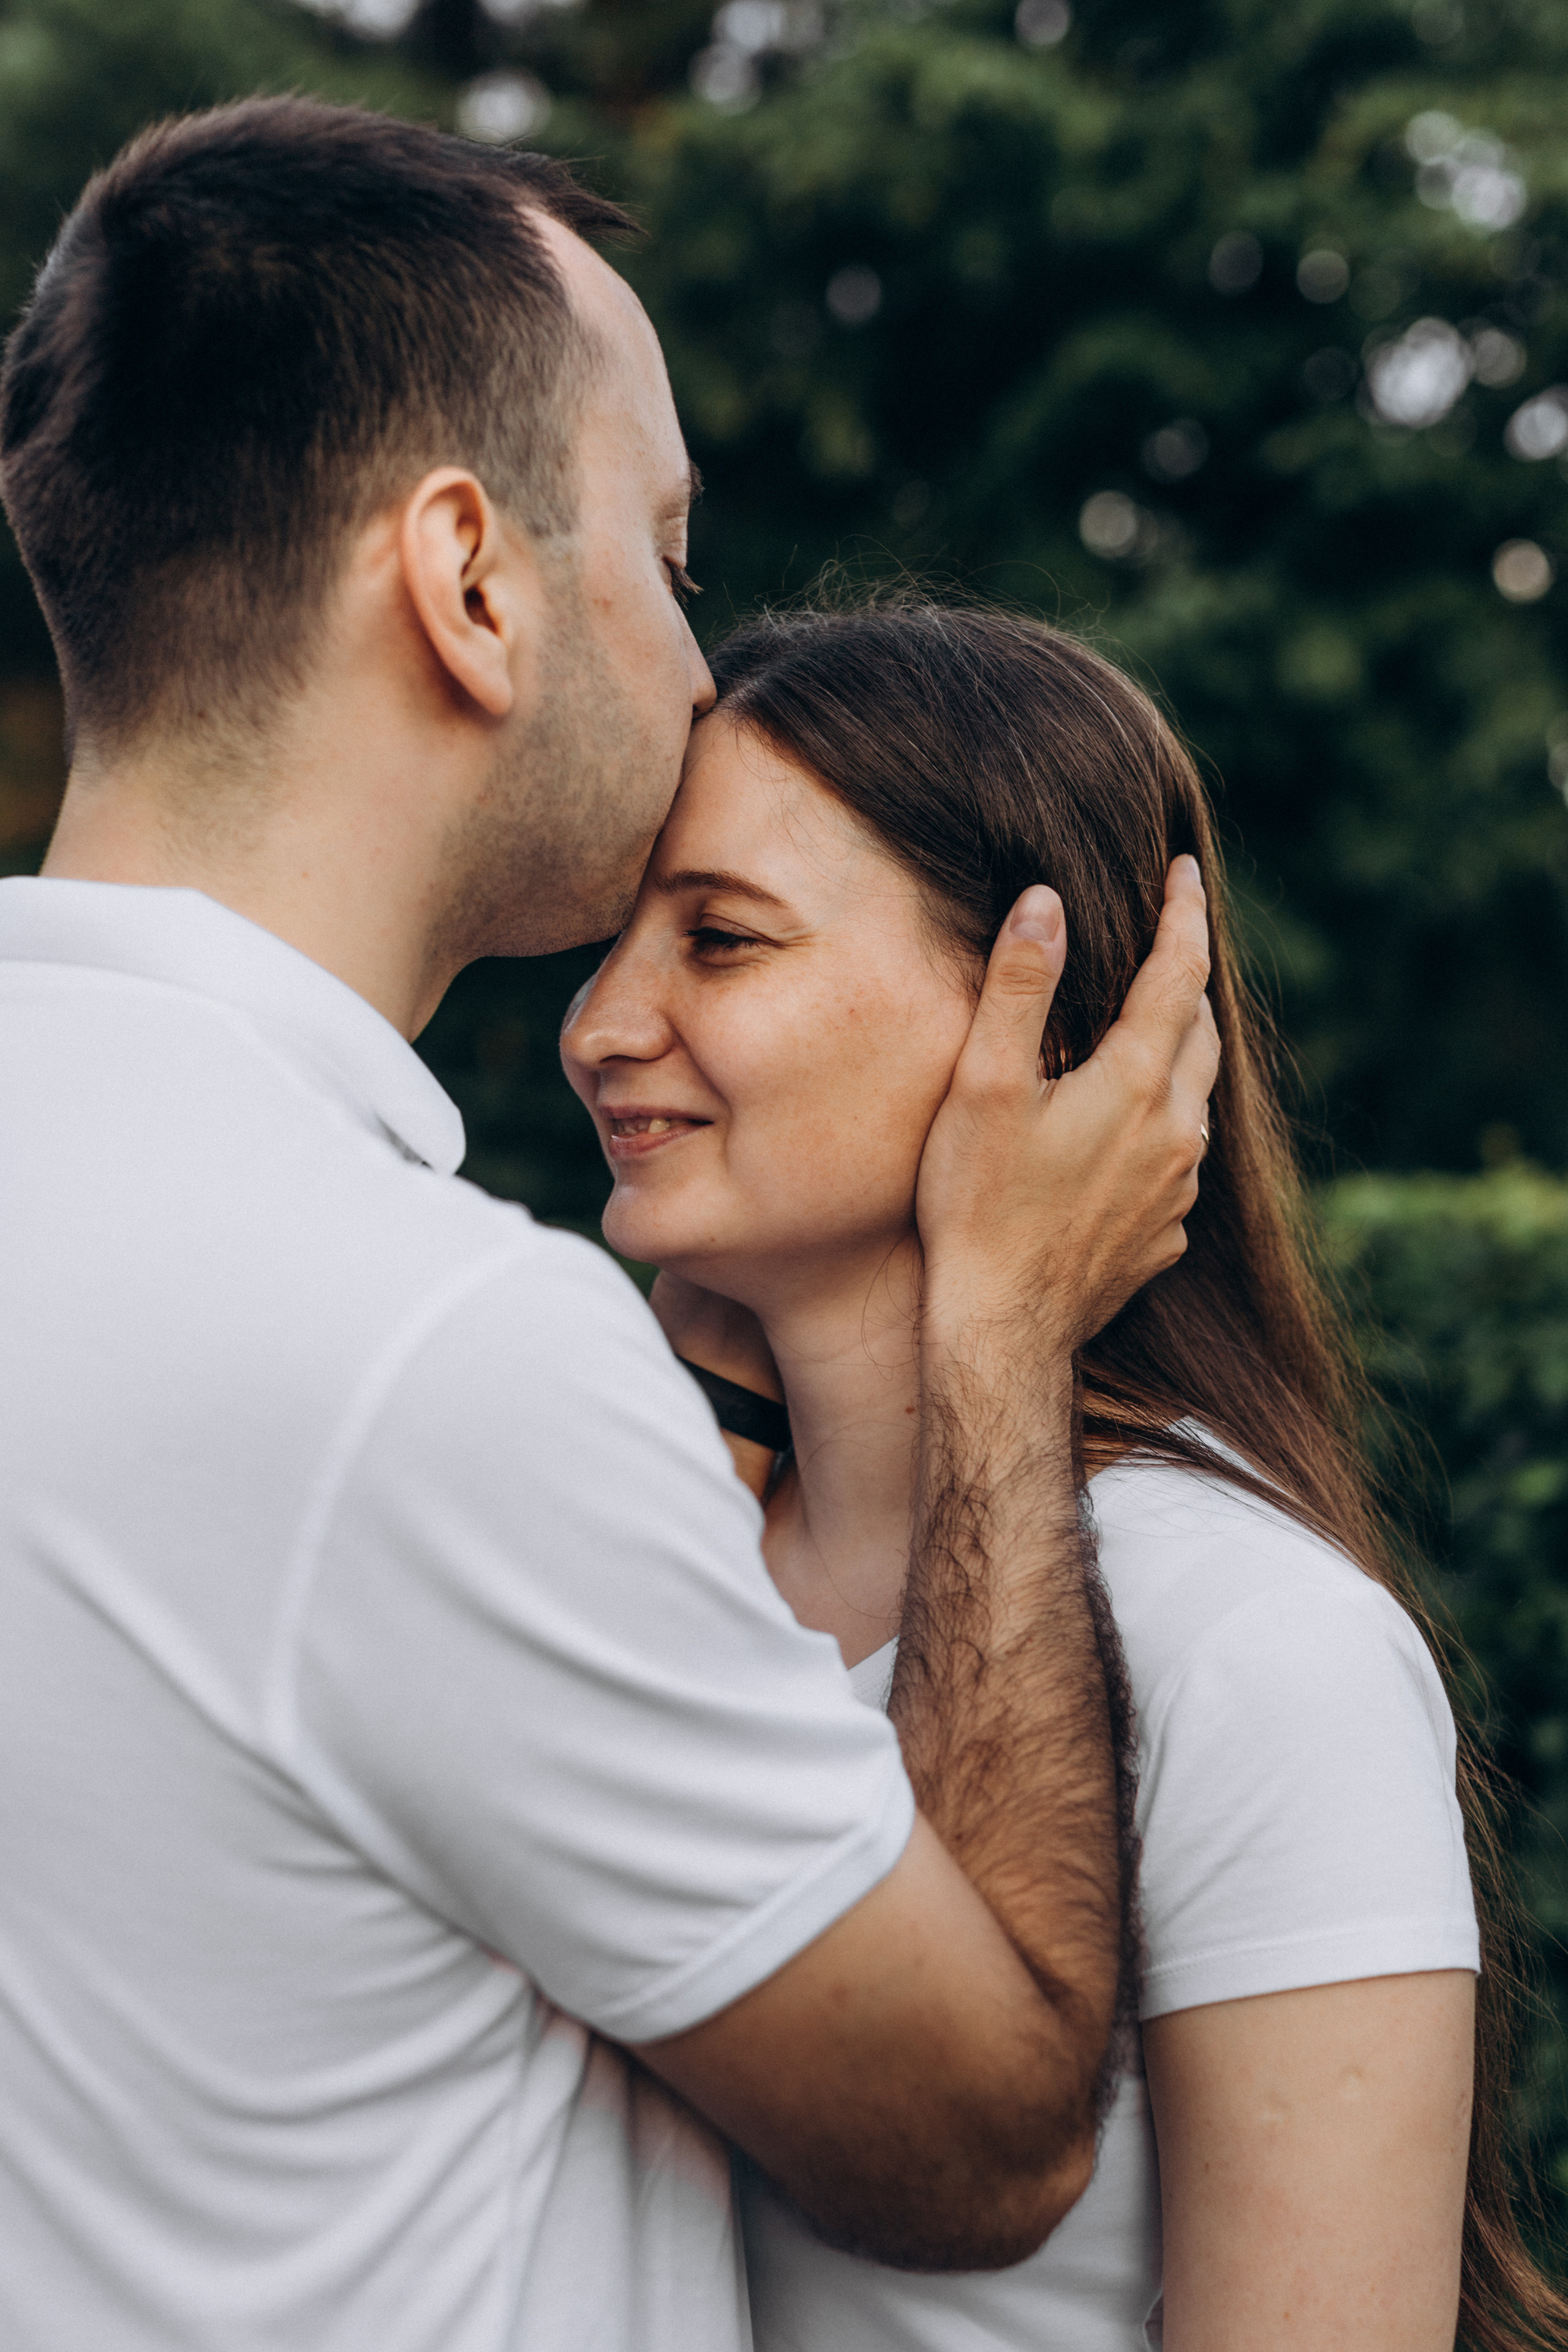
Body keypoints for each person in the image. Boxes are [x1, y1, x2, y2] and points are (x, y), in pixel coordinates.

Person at [0, 100, 1219, 2352]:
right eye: (663, 549)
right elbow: (986, 2137)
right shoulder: (425, 1349)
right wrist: (1005, 1327)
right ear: (469, 582)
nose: (693, 661)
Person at [562, 599, 1568, 2352]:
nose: (599, 1025)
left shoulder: (1250, 1643)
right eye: (614, 939)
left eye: (720, 942)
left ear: (1040, 1024)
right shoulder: (638, 1540)